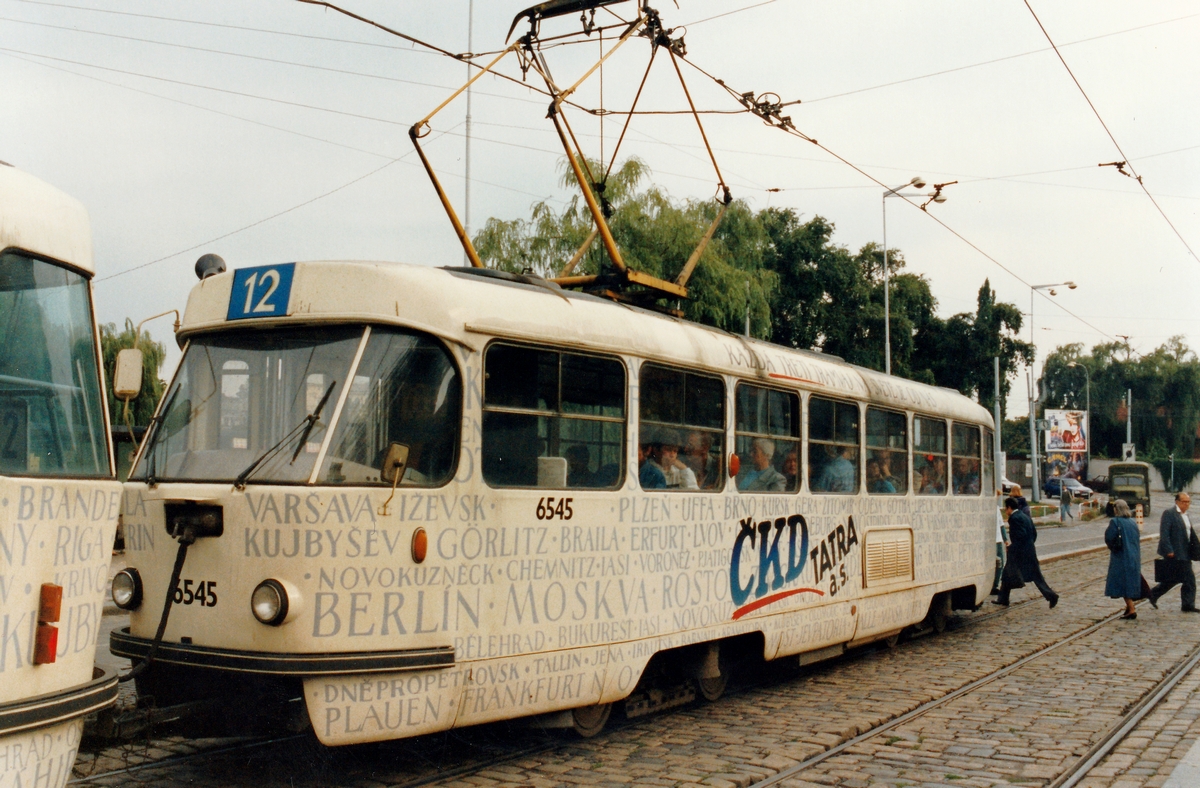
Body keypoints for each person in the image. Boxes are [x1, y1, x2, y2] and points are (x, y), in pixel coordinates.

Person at [994, 496, 1059, 608]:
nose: (1006, 511)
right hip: (1029, 551)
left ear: (1009, 508)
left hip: (1020, 553)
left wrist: (1013, 547)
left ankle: (1052, 596)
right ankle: (1003, 598)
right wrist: (1029, 545)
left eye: (1006, 508)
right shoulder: (1025, 516)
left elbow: (1020, 536)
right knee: (1012, 574)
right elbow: (1033, 533)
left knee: (1010, 573)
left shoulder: (1014, 518)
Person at [1148, 492, 1198, 612]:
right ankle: (1153, 595)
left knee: (1181, 579)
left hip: (1185, 552)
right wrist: (1168, 549)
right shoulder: (1169, 513)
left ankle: (1186, 604)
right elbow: (1164, 533)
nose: (1186, 504)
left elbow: (1189, 534)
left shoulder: (1185, 516)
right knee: (1180, 579)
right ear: (1177, 502)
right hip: (1175, 552)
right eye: (1184, 502)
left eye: (1188, 502)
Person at [1105, 499, 1143, 619]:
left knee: (1123, 583)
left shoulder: (1115, 522)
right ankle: (1129, 608)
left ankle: (1131, 609)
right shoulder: (1132, 523)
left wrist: (1113, 547)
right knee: (1129, 582)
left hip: (1121, 556)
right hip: (1134, 556)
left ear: (1117, 509)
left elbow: (1109, 537)